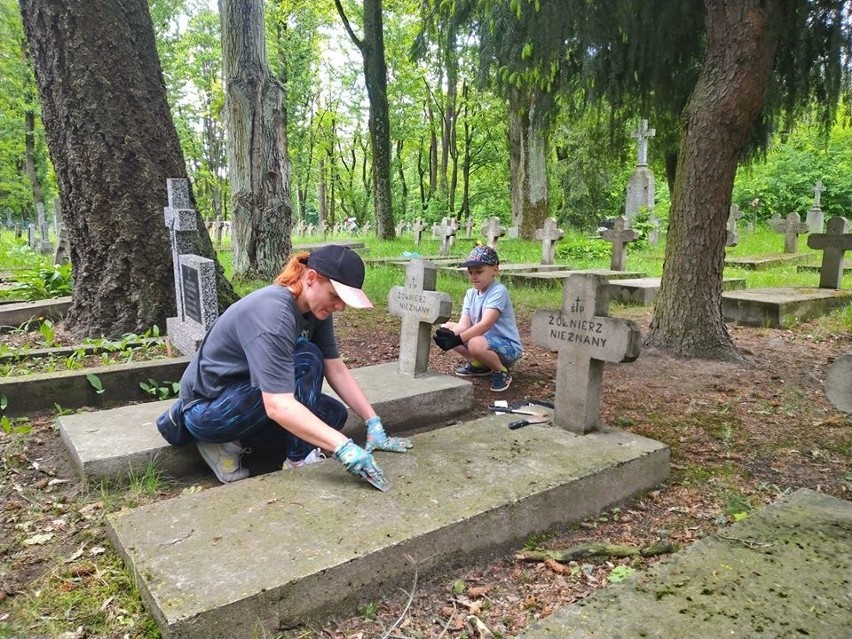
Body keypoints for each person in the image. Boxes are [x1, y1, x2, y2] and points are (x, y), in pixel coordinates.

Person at [155, 244, 412, 490]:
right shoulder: (273, 313)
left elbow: (335, 368)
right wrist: (342, 446)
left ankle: (248, 445)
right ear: (311, 277)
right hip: (209, 410)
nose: (340, 307)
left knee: (332, 414)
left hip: (249, 398)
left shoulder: (315, 310)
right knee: (306, 359)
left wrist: (373, 423)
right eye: (335, 296)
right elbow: (277, 404)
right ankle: (291, 459)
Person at [433, 244, 523, 392]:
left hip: (508, 347)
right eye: (470, 272)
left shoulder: (498, 291)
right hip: (483, 342)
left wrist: (457, 339)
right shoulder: (471, 294)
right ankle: (479, 365)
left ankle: (501, 371)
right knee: (447, 328)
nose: (474, 276)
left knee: (474, 342)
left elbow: (486, 324)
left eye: (479, 271)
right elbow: (463, 325)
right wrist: (449, 337)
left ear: (495, 270)